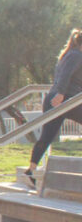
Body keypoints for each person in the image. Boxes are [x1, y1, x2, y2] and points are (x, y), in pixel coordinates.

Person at [26, 28, 82, 186]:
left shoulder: (69, 54)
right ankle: (30, 170)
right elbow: (65, 76)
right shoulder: (76, 55)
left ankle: (30, 170)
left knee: (47, 136)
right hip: (65, 99)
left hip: (61, 99)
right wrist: (61, 94)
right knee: (47, 136)